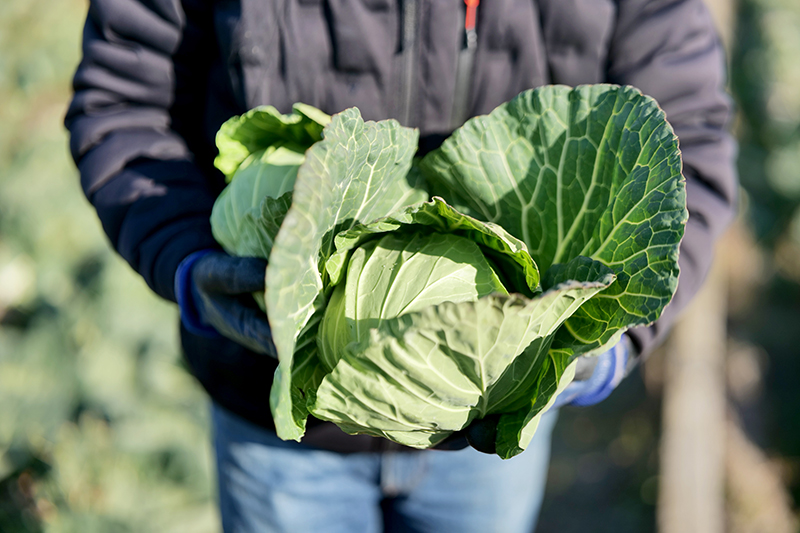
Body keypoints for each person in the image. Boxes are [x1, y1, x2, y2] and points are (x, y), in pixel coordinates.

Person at [65, 0, 737, 531]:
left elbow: (688, 143)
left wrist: (610, 347)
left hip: (487, 425)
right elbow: (123, 100)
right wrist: (186, 260)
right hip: (270, 415)